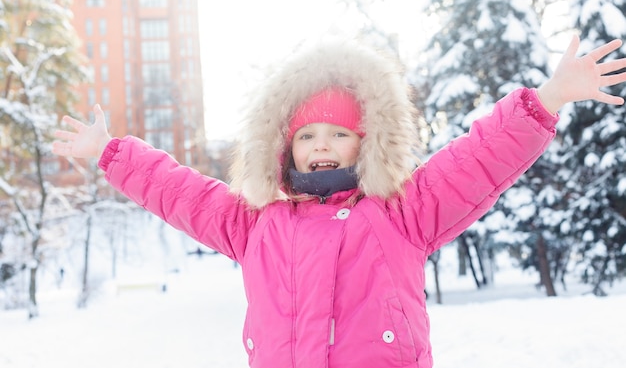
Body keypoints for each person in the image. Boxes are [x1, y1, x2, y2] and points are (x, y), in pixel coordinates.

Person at [52, 35, 626, 368]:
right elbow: (181, 192)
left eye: (337, 132)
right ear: (285, 150)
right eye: (306, 135)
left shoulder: (403, 212)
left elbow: (477, 162)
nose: (321, 143)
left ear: (365, 140)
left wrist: (548, 97)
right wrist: (110, 153)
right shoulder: (255, 226)